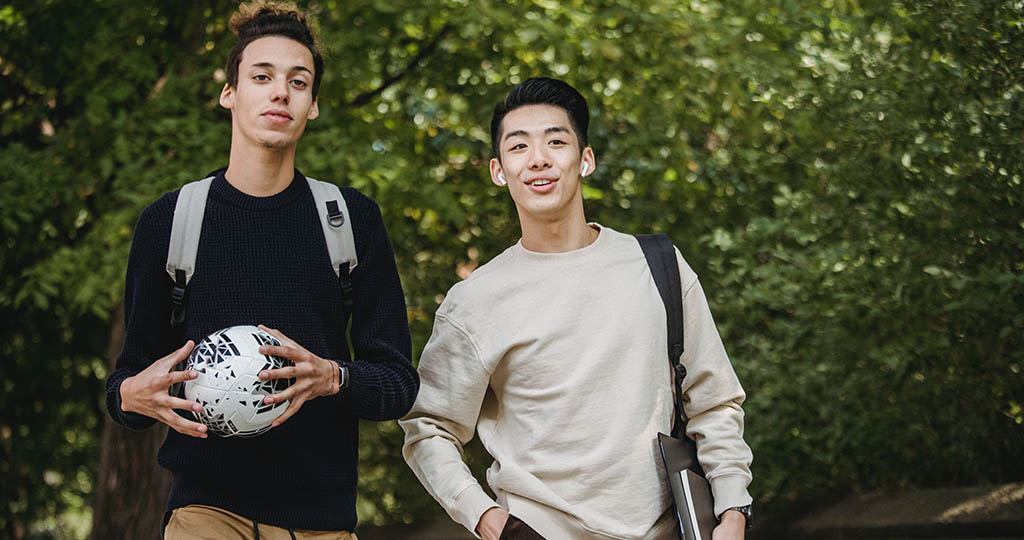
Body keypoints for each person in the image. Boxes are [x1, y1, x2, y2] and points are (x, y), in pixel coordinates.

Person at [104, 2, 418, 538]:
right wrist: (131, 396)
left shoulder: (349, 220)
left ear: (312, 105)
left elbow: (398, 382)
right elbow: (127, 387)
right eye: (262, 76)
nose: (281, 92)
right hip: (204, 508)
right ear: (230, 92)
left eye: (299, 81)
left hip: (321, 518)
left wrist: (331, 377)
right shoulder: (172, 221)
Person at [400, 77, 753, 540]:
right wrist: (488, 520)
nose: (539, 158)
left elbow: (714, 402)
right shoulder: (476, 300)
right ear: (498, 170)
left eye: (556, 140)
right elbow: (428, 427)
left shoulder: (657, 266)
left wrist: (731, 511)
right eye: (519, 146)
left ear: (585, 159)